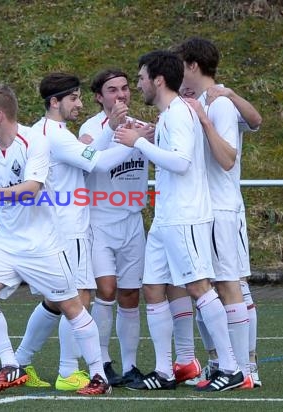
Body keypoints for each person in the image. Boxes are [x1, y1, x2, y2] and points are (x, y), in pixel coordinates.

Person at [0, 82, 111, 395]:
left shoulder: (34, 141)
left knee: (72, 305)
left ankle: (99, 377)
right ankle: (10, 365)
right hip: (5, 242)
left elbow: (31, 188)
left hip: (42, 244)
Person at [116, 50, 244, 392]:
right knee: (153, 288)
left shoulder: (179, 114)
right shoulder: (172, 114)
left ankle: (232, 367)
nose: (138, 83)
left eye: (141, 77)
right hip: (166, 217)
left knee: (199, 287)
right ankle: (165, 371)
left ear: (158, 80)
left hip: (185, 217)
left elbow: (181, 162)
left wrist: (140, 143)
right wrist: (146, 135)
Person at [13, 72, 146, 391]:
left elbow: (87, 155)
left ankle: (18, 363)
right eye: (73, 98)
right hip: (66, 228)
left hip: (58, 227)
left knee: (56, 301)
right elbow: (97, 163)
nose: (80, 103)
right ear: (55, 102)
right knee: (78, 299)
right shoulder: (55, 134)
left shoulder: (48, 130)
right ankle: (68, 371)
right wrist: (135, 142)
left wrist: (112, 131)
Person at [175, 37, 263, 389]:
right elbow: (256, 121)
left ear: (193, 66)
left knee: (231, 285)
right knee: (204, 288)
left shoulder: (219, 103)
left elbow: (228, 159)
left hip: (222, 209)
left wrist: (207, 117)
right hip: (201, 210)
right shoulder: (200, 101)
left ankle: (244, 369)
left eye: (179, 65)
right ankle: (221, 364)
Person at [78, 68, 152, 387]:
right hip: (100, 220)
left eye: (124, 88)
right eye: (112, 90)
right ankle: (103, 362)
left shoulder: (141, 127)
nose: (120, 94)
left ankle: (131, 366)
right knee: (105, 291)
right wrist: (119, 132)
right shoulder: (90, 128)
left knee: (131, 295)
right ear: (99, 96)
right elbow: (91, 159)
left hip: (132, 221)